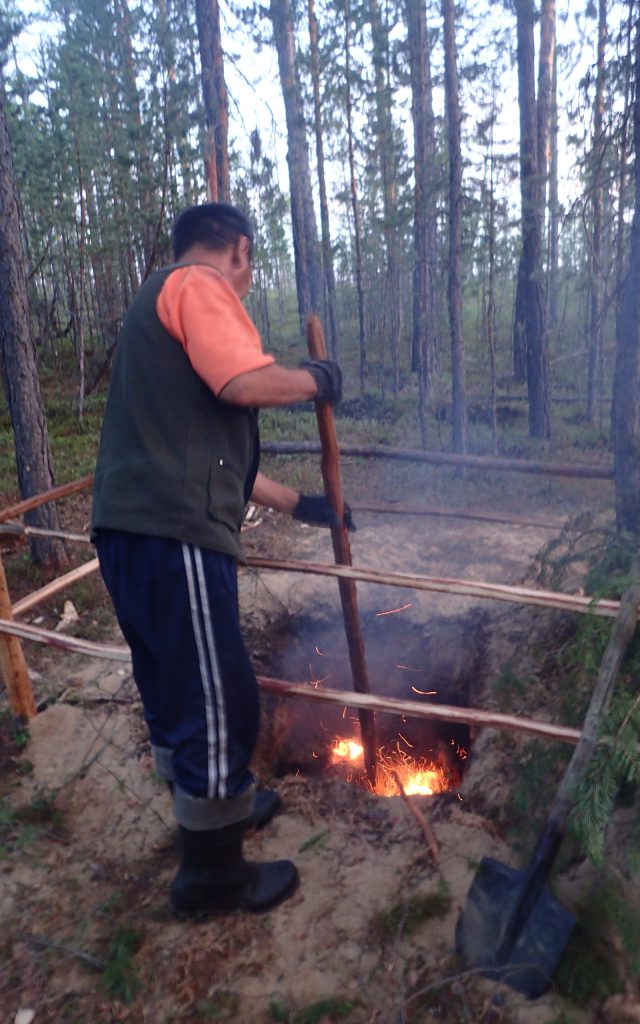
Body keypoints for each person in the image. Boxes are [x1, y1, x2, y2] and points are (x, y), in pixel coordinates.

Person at [91, 202, 346, 917]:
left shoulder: (160, 306)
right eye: (248, 265)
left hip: (129, 531)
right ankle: (212, 879)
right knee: (219, 698)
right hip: (175, 535)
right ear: (237, 250)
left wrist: (304, 504)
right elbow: (242, 382)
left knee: (178, 690)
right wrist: (315, 380)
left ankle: (214, 812)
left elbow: (211, 453)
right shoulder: (198, 285)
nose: (243, 280)